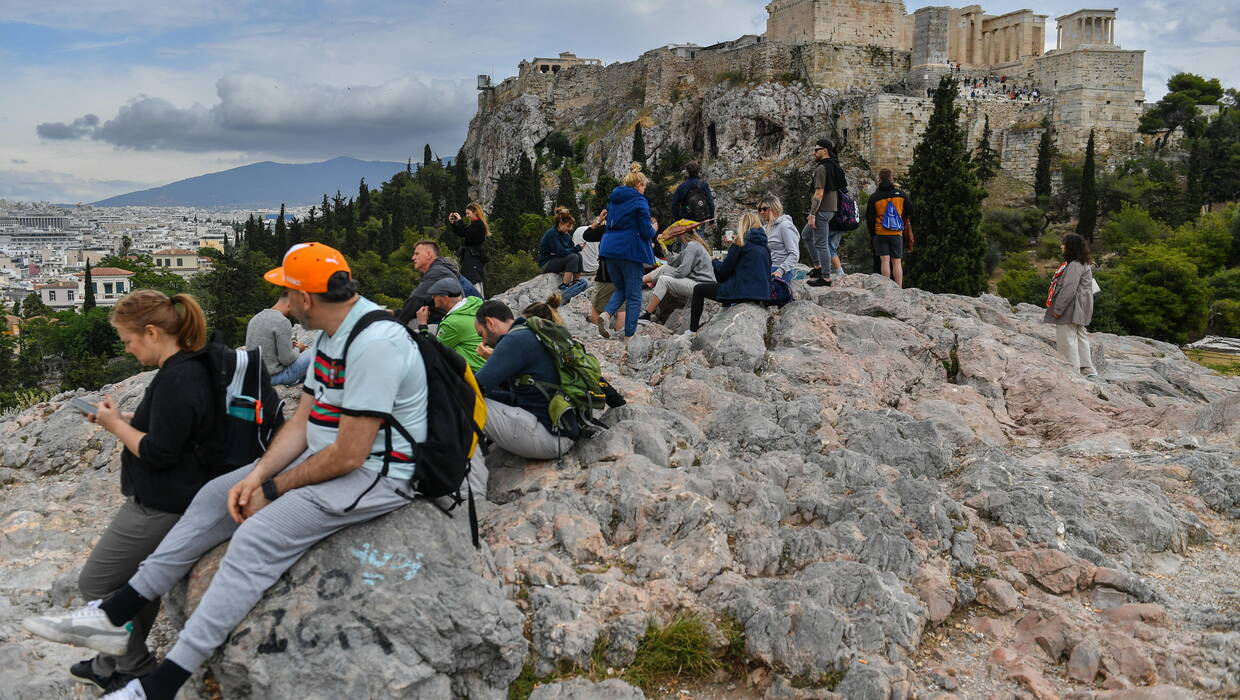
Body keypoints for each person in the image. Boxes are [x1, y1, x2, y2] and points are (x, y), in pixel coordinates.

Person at [23, 243, 439, 700]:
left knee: (253, 540)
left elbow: (349, 455)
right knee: (210, 498)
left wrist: (273, 490)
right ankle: (112, 613)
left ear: (303, 297)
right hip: (326, 454)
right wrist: (256, 474)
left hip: (378, 474)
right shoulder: (331, 333)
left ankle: (160, 686)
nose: (285, 301)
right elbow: (302, 420)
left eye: (286, 290)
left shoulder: (375, 345)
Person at [26, 290, 220, 694]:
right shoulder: (190, 366)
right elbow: (176, 429)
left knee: (96, 584)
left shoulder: (176, 378)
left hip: (161, 501)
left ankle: (134, 666)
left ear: (151, 332)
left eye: (128, 341)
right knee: (139, 578)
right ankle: (106, 661)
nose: (128, 350)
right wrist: (122, 418)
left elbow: (161, 452)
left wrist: (116, 428)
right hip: (178, 495)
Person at [474, 300, 580, 459]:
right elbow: (520, 396)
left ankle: (469, 479)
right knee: (483, 397)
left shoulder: (513, 341)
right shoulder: (528, 333)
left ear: (490, 322)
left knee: (466, 404)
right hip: (564, 430)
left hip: (551, 438)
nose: (482, 341)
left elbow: (472, 387)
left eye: (480, 333)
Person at [597, 163, 657, 340]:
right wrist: (654, 228)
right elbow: (646, 231)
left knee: (622, 287)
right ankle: (629, 336)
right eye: (644, 186)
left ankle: (606, 314)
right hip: (629, 250)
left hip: (609, 250)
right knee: (634, 295)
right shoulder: (639, 201)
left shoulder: (614, 200)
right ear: (639, 185)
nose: (644, 190)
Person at [688, 212, 772, 333]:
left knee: (699, 289)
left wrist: (714, 262)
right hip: (762, 294)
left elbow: (724, 271)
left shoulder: (740, 242)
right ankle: (724, 311)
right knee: (728, 283)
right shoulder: (765, 247)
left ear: (742, 225)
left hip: (742, 292)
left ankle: (692, 330)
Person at [1044, 234, 1099, 380]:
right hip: (1081, 307)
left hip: (1071, 307)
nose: (1061, 246)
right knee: (1080, 336)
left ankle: (1072, 373)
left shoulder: (1074, 265)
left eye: (1064, 244)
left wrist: (1058, 309)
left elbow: (1069, 288)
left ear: (1071, 247)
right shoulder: (1082, 263)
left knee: (1067, 338)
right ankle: (1088, 370)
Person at [639, 222, 714, 321]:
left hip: (701, 285)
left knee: (663, 279)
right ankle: (637, 282)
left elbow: (683, 271)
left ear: (681, 234)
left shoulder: (692, 246)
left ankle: (647, 313)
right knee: (665, 268)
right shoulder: (690, 245)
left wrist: (668, 275)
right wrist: (662, 245)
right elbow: (673, 262)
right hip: (696, 280)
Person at [415, 276, 486, 372]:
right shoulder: (474, 304)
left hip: (475, 375)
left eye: (435, 295)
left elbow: (433, 352)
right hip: (487, 366)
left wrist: (422, 324)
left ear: (444, 298)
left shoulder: (452, 323)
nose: (432, 298)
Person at [245, 290, 311, 385]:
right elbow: (286, 359)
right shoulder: (282, 321)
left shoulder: (254, 319)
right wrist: (299, 349)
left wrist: (289, 346)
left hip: (256, 376)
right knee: (316, 351)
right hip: (274, 377)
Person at [806, 138, 847, 286]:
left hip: (822, 210)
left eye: (816, 150)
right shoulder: (835, 166)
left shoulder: (821, 168)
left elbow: (819, 193)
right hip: (831, 208)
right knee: (807, 235)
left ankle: (826, 277)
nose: (814, 152)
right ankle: (818, 267)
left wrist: (812, 214)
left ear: (824, 151)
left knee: (821, 243)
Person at [397, 240, 466, 325]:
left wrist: (397, 325)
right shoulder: (440, 269)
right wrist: (396, 312)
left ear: (429, 254)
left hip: (450, 323)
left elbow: (416, 299)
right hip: (453, 319)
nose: (413, 258)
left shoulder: (436, 272)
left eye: (417, 254)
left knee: (412, 325)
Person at [864, 169, 914, 288]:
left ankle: (886, 288)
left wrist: (873, 235)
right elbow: (911, 210)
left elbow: (869, 219)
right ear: (891, 179)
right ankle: (899, 287)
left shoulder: (874, 197)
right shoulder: (901, 194)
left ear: (879, 180)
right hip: (896, 232)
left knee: (884, 261)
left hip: (881, 232)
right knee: (897, 262)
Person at [447, 203, 490, 295]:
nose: (467, 216)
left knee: (474, 278)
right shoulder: (474, 224)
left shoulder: (478, 224)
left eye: (468, 213)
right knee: (469, 277)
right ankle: (474, 298)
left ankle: (478, 298)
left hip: (474, 256)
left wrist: (460, 221)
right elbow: (462, 233)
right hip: (470, 256)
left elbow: (466, 233)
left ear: (475, 212)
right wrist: (454, 223)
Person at [538, 207, 584, 289]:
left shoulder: (565, 234)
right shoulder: (552, 233)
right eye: (568, 226)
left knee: (578, 255)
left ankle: (576, 282)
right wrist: (576, 248)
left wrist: (577, 248)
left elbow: (571, 248)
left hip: (557, 259)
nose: (570, 229)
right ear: (560, 224)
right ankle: (564, 285)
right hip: (546, 263)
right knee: (573, 257)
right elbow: (560, 252)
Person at [759, 195, 801, 280]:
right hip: (769, 269)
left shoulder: (785, 226)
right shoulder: (767, 227)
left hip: (781, 272)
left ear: (774, 208)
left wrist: (780, 271)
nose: (761, 212)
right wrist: (737, 239)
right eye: (759, 210)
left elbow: (794, 254)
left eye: (764, 209)